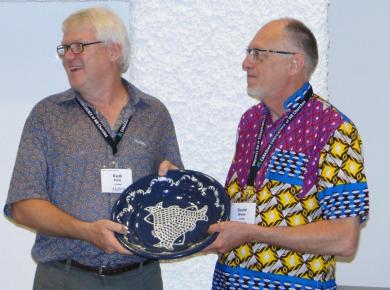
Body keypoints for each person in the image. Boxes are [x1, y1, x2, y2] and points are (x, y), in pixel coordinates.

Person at [4, 7, 183, 290]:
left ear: (113, 51)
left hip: (140, 278)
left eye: (78, 46)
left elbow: (174, 202)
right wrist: (86, 232)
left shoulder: (153, 114)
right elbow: (23, 205)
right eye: (65, 48)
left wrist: (174, 186)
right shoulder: (47, 115)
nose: (67, 56)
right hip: (65, 278)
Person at [205, 18, 369, 289]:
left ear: (294, 63)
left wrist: (253, 233)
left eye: (258, 54)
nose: (246, 63)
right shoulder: (250, 122)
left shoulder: (334, 129)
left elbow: (344, 239)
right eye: (248, 53)